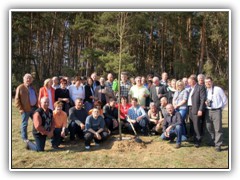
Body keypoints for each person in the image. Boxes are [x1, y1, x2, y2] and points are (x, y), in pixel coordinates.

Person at [204, 77, 227, 152]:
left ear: (212, 81)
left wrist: (220, 109)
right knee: (208, 127)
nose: (208, 83)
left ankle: (218, 145)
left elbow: (225, 100)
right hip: (208, 111)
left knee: (218, 129)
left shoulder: (218, 89)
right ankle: (211, 141)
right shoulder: (205, 90)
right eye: (206, 82)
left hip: (217, 111)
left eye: (209, 81)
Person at [15, 73, 38, 141]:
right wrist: (20, 109)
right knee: (25, 123)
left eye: (30, 78)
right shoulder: (20, 87)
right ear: (24, 79)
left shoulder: (33, 87)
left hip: (34, 108)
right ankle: (24, 138)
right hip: (25, 109)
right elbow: (17, 100)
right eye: (27, 78)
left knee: (36, 121)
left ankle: (36, 135)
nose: (28, 79)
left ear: (32, 80)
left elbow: (36, 96)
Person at [187, 75, 206, 148]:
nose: (188, 82)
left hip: (196, 108)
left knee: (196, 125)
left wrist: (200, 109)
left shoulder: (200, 87)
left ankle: (198, 140)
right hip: (190, 108)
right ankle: (193, 138)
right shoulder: (190, 88)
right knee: (192, 124)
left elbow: (202, 100)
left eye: (189, 81)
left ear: (194, 81)